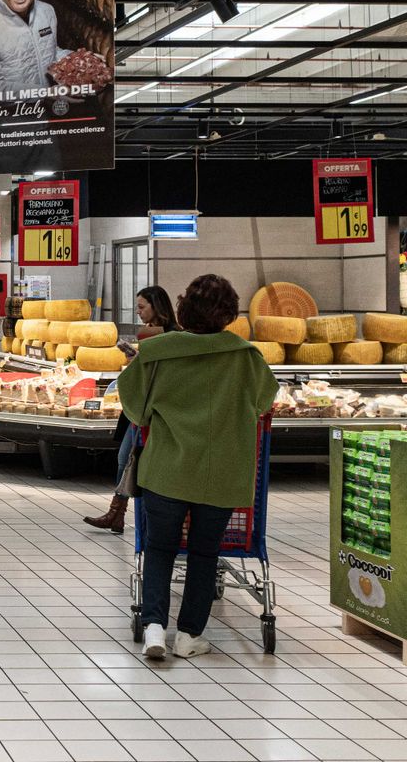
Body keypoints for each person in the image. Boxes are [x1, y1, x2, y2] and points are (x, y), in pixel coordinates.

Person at [118, 274, 277, 660]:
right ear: (228, 314)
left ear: (185, 310)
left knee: (159, 549)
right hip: (223, 474)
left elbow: (135, 408)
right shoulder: (246, 356)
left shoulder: (156, 353)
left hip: (167, 471)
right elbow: (263, 402)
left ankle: (155, 628)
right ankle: (189, 635)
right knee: (205, 555)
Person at [84, 286, 180, 533]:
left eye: (141, 307)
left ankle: (135, 516)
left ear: (156, 306)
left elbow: (162, 373)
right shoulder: (149, 334)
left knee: (137, 462)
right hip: (138, 409)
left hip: (156, 411)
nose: (138, 312)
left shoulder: (173, 336)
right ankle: (118, 512)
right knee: (125, 458)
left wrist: (137, 360)